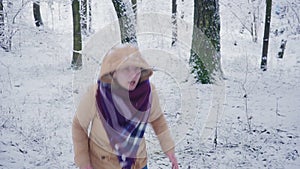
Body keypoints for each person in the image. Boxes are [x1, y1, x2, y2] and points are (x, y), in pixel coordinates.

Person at [72, 43, 179, 169]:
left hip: (138, 163)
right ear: (113, 73)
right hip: (102, 164)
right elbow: (79, 126)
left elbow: (158, 120)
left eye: (136, 68)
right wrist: (84, 162)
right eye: (126, 69)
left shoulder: (148, 93)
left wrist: (169, 150)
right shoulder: (96, 94)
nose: (133, 74)